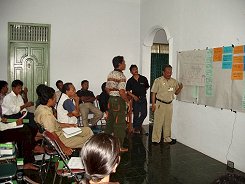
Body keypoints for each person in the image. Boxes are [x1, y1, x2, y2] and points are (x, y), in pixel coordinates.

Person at [34, 85, 93, 154]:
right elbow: (52, 135)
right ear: (50, 100)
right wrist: (63, 148)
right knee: (88, 140)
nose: (56, 100)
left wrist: (68, 125)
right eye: (54, 98)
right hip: (59, 138)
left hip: (60, 131)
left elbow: (54, 124)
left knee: (88, 130)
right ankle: (89, 155)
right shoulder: (46, 114)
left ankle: (86, 152)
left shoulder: (41, 107)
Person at [0, 80, 42, 170]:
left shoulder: (18, 97)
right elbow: (3, 125)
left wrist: (23, 111)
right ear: (13, 88)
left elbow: (22, 108)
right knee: (25, 132)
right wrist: (15, 122)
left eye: (20, 88)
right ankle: (30, 154)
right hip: (5, 127)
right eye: (18, 88)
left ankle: (24, 160)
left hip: (11, 120)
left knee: (29, 126)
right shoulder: (8, 98)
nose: (20, 90)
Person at [151, 65, 183, 144]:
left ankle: (167, 138)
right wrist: (153, 104)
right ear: (163, 72)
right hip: (160, 104)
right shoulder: (158, 80)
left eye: (170, 72)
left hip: (169, 104)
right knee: (158, 122)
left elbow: (176, 92)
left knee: (168, 122)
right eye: (168, 72)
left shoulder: (174, 81)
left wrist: (180, 88)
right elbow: (153, 93)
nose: (169, 74)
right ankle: (155, 139)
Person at [105, 56, 130, 152]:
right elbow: (122, 92)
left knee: (110, 122)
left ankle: (106, 143)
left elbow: (107, 88)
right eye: (124, 62)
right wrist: (127, 101)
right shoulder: (121, 76)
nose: (125, 64)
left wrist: (112, 95)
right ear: (119, 64)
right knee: (120, 124)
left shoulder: (110, 74)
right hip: (118, 101)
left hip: (111, 100)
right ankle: (119, 146)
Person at [126, 64, 149, 134]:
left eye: (136, 69)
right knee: (135, 114)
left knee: (144, 114)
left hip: (143, 98)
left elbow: (147, 87)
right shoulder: (130, 81)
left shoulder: (143, 78)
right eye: (133, 69)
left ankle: (136, 127)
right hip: (135, 99)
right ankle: (136, 129)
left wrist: (142, 91)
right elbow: (127, 91)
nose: (135, 70)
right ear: (131, 72)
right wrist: (134, 96)